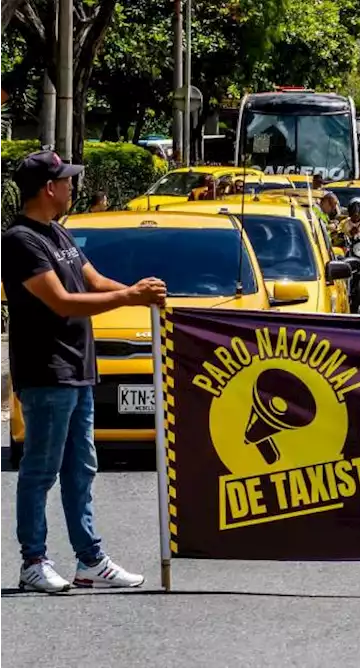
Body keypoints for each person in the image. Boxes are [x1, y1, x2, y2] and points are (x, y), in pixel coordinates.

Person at [0, 151, 167, 593]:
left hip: (78, 368)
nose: (73, 187)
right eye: (67, 181)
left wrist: (139, 293)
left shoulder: (57, 232)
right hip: (47, 372)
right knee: (41, 470)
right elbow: (61, 301)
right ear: (48, 188)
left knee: (82, 468)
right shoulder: (20, 241)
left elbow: (92, 282)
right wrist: (130, 297)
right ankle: (33, 561)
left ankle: (90, 559)